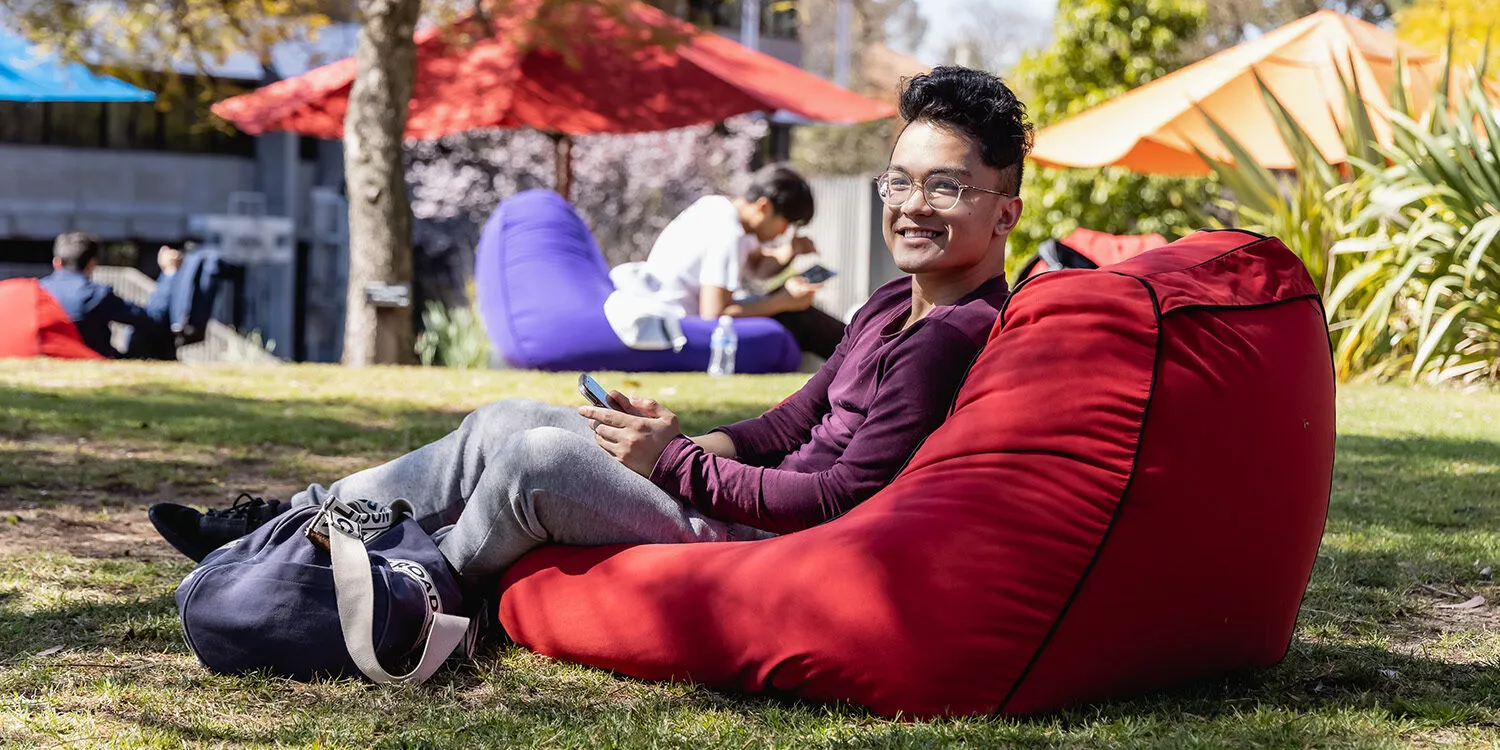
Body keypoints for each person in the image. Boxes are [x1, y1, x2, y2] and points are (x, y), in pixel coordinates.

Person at [150, 66, 1033, 590]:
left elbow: (838, 498)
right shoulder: (888, 306)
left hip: (773, 541)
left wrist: (673, 464)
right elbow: (788, 426)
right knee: (506, 420)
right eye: (899, 182)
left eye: (946, 186)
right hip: (735, 497)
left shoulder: (950, 336)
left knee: (539, 461)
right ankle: (286, 525)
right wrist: (668, 439)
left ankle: (407, 592)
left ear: (1004, 212)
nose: (913, 206)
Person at [643, 163, 847, 360]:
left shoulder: (719, 208)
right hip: (679, 331)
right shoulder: (727, 233)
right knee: (797, 318)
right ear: (764, 207)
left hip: (666, 320)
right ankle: (859, 352)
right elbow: (714, 314)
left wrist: (791, 251)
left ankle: (857, 348)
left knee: (786, 306)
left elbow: (758, 267)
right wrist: (782, 302)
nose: (784, 233)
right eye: (786, 224)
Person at [38, 232, 165, 360]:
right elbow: (147, 318)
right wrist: (169, 275)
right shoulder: (97, 294)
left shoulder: (36, 291)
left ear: (56, 262)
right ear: (92, 263)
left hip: (44, 358)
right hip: (91, 361)